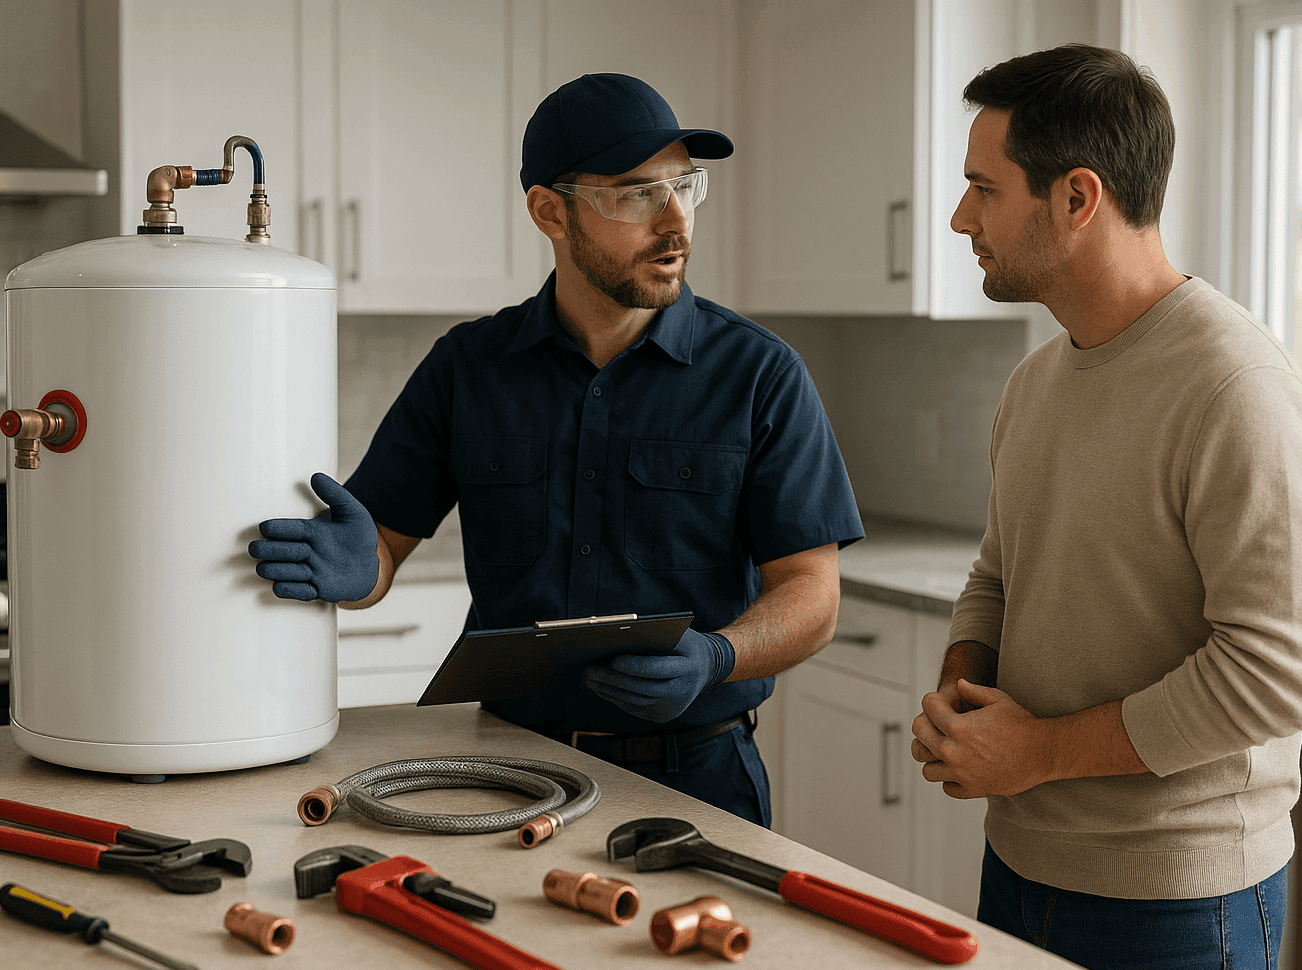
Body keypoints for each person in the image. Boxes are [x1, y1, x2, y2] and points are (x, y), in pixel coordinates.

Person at [249, 73, 863, 826]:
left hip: (698, 778)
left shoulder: (761, 374)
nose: (676, 223)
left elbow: (814, 591)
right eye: (637, 194)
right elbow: (378, 545)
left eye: (685, 187)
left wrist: (718, 657)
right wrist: (358, 569)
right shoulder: (467, 367)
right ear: (551, 211)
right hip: (506, 772)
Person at [910, 45, 1302, 970]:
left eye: (983, 188)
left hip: (1181, 906)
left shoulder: (1235, 389)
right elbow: (999, 572)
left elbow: (1273, 676)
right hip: (1021, 866)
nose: (959, 217)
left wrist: (1037, 752)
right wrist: (963, 690)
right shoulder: (1035, 382)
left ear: (1077, 197)